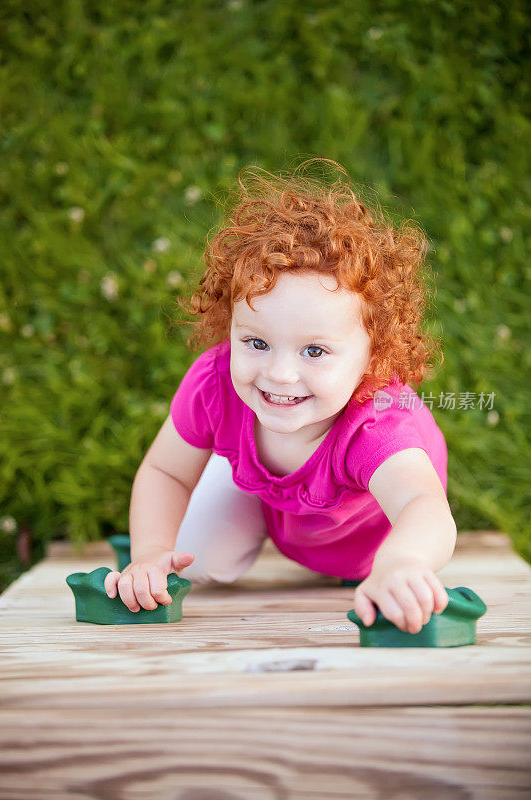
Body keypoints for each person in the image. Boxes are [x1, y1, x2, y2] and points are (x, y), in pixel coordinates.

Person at [104, 160, 456, 634]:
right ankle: (222, 475)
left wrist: (402, 563)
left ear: (374, 358)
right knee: (193, 560)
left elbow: (424, 505)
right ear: (229, 324)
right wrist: (149, 551)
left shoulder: (379, 424)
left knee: (385, 566)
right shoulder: (217, 384)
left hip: (365, 551)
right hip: (278, 510)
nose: (280, 373)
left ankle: (241, 486)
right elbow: (165, 470)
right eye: (256, 342)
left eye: (315, 350)